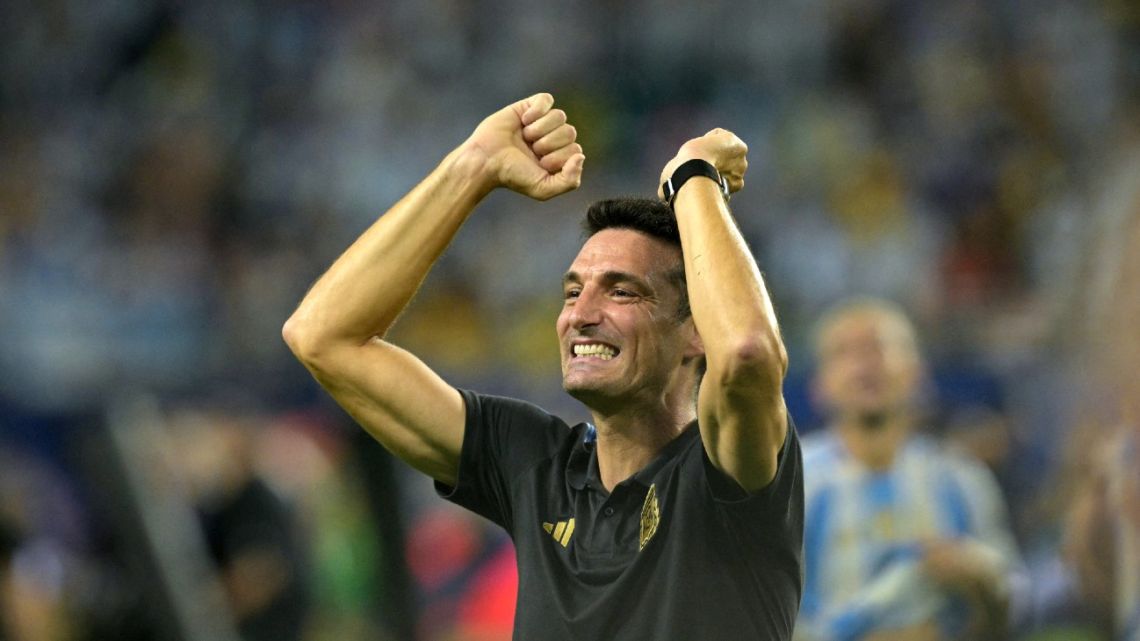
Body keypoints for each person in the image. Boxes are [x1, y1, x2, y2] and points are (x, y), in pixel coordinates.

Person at [283, 93, 803, 639]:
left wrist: (693, 176)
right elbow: (322, 337)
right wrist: (473, 166)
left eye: (621, 292)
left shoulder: (730, 473)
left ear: (696, 331)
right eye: (572, 291)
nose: (580, 314)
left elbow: (747, 351)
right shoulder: (533, 463)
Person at [796, 299, 1021, 641]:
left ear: (917, 374)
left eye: (879, 347)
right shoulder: (793, 482)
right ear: (819, 386)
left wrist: (979, 576)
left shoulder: (960, 477)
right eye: (845, 352)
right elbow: (764, 612)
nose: (864, 364)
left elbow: (1013, 599)